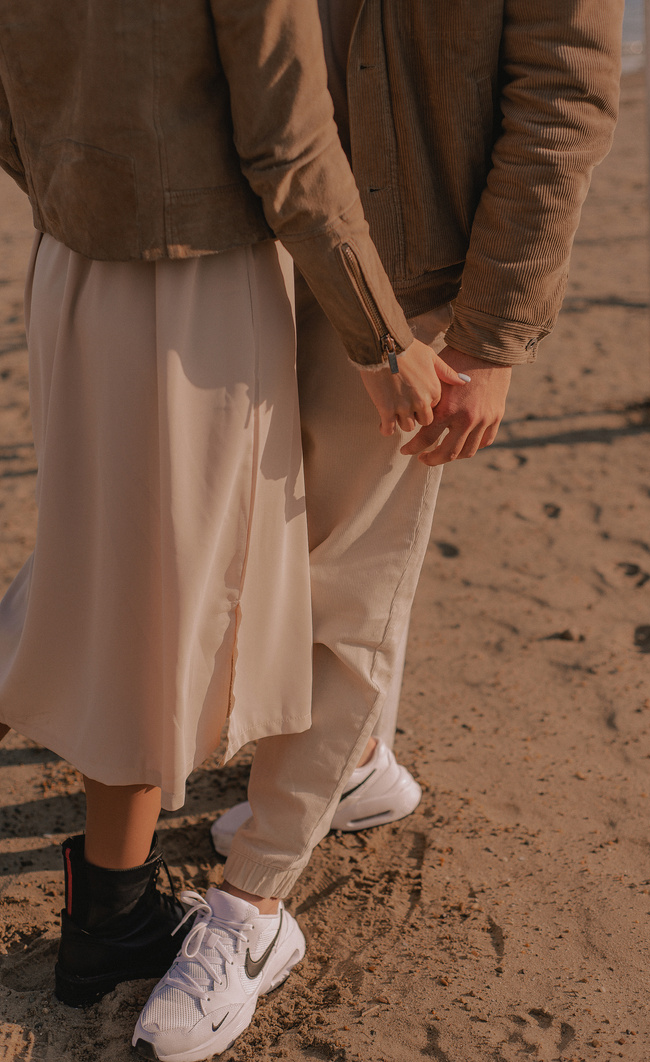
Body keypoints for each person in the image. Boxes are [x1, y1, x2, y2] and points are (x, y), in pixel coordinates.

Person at [0, 0, 464, 1053]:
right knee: (169, 596)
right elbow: (291, 149)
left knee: (107, 562)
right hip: (198, 279)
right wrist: (382, 338)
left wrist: (85, 186)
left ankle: (137, 886)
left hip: (71, 271)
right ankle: (110, 917)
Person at [211, 0, 626, 850]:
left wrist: (488, 342)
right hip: (237, 244)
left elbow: (562, 103)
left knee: (339, 574)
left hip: (405, 275)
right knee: (234, 538)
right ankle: (355, 758)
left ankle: (312, 817)